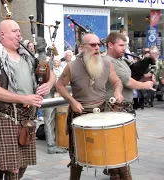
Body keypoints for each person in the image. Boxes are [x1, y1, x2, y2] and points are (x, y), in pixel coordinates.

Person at [0, 19, 55, 179]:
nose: (19, 34)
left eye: (19, 30)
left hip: (26, 117)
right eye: (14, 31)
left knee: (21, 165)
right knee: (8, 168)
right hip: (3, 116)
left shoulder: (27, 55)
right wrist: (24, 98)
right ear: (2, 35)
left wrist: (48, 84)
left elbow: (50, 72)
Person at [56, 33, 124, 180]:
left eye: (99, 44)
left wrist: (118, 92)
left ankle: (117, 175)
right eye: (92, 45)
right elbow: (59, 85)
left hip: (103, 112)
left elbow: (117, 81)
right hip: (80, 114)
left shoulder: (106, 63)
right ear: (82, 47)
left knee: (115, 152)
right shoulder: (72, 67)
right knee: (77, 158)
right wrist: (72, 101)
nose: (97, 48)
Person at [104, 32, 154, 180]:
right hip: (114, 106)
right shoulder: (108, 61)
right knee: (118, 144)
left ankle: (115, 172)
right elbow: (128, 82)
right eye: (121, 45)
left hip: (125, 106)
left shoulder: (121, 60)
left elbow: (131, 76)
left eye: (125, 45)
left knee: (122, 143)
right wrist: (145, 85)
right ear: (110, 45)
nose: (123, 48)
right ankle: (118, 174)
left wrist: (145, 77)